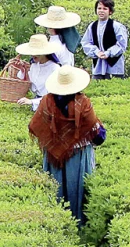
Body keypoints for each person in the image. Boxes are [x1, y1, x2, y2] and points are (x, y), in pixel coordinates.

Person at [29, 64, 103, 224]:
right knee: (78, 189)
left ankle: (56, 224)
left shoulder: (46, 102)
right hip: (78, 155)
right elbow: (98, 134)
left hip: (52, 155)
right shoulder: (83, 103)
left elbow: (36, 126)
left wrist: (54, 139)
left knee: (55, 189)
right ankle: (78, 224)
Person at [81, 0, 126, 77]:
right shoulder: (92, 26)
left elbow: (122, 45)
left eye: (105, 9)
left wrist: (108, 53)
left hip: (114, 68)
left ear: (110, 11)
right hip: (98, 67)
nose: (101, 11)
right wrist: (96, 52)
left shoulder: (117, 26)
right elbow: (86, 42)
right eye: (99, 8)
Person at [14, 33, 58, 106]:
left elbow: (54, 96)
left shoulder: (55, 68)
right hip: (37, 105)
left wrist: (32, 102)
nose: (33, 55)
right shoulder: (34, 66)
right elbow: (27, 82)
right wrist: (22, 69)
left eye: (37, 52)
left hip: (50, 106)